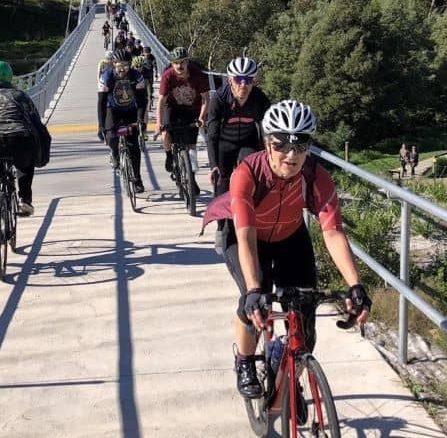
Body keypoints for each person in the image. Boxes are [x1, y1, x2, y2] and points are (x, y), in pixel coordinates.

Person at [201, 100, 371, 399]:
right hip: (247, 239)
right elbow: (245, 235)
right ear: (267, 143)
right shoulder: (247, 174)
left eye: (301, 145)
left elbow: (332, 232)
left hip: (291, 238)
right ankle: (244, 361)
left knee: (306, 323)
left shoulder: (316, 176)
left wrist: (355, 285)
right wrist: (254, 290)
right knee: (254, 304)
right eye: (281, 145)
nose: (291, 155)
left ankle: (292, 375)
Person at [0, 61, 39, 254]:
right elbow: (36, 121)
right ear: (11, 78)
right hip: (19, 140)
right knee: (25, 164)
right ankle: (24, 199)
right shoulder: (20, 95)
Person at [206, 56, 271, 194]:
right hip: (225, 142)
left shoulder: (259, 99)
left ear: (253, 81)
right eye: (238, 79)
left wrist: (270, 157)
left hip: (248, 142)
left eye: (248, 80)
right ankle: (222, 215)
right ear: (230, 81)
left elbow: (269, 130)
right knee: (222, 181)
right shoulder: (219, 99)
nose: (243, 84)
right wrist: (213, 165)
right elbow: (212, 134)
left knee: (253, 173)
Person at [156, 46, 209, 194]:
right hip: (172, 108)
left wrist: (201, 117)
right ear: (172, 64)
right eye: (176, 63)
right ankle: (168, 156)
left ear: (187, 62)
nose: (180, 66)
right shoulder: (168, 76)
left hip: (192, 110)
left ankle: (191, 180)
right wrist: (159, 123)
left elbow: (206, 98)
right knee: (166, 134)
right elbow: (161, 101)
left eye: (183, 62)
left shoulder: (198, 75)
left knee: (191, 147)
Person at [98, 50, 148, 193]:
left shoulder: (137, 76)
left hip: (130, 110)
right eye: (119, 66)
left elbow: (142, 100)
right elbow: (101, 102)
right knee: (112, 136)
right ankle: (114, 154)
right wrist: (101, 125)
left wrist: (140, 120)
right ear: (113, 65)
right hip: (112, 110)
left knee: (134, 147)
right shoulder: (106, 77)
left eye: (126, 66)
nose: (122, 69)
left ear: (130, 65)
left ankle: (137, 179)